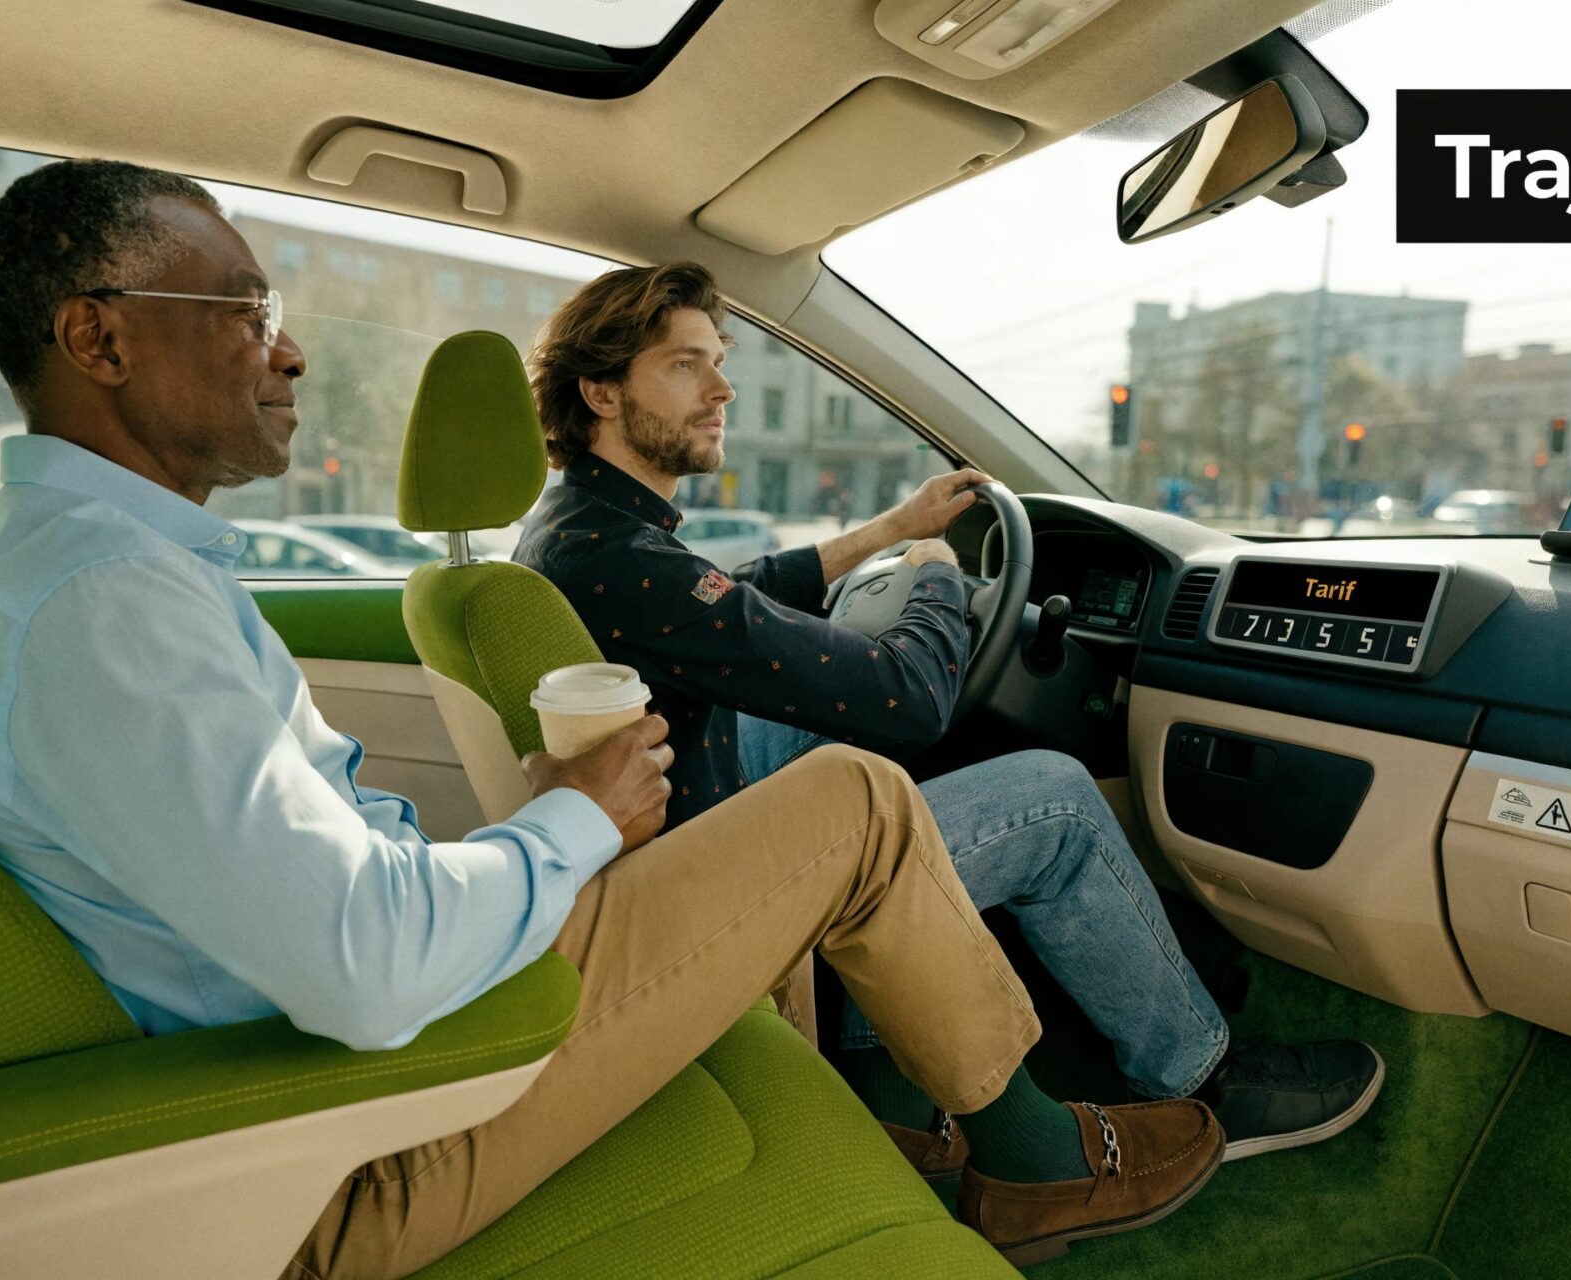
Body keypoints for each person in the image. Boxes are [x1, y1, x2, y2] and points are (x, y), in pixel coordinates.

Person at [0, 159, 1225, 1276]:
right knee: (862, 801)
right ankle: (1041, 1165)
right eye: (245, 307)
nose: (287, 346)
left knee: (826, 788)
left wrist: (529, 830)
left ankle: (994, 1125)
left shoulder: (63, 567)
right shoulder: (103, 602)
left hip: (333, 1064)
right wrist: (574, 826)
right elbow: (361, 968)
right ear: (99, 337)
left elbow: (306, 890)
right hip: (332, 1145)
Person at [515, 263, 1383, 1177]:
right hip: (710, 909)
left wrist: (891, 531)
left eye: (719, 360)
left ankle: (889, 1040)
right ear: (601, 389)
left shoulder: (580, 529)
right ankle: (1204, 1079)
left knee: (833, 732)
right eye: (688, 365)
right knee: (1054, 801)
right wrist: (933, 583)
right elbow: (911, 701)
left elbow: (741, 599)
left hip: (673, 839)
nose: (724, 386)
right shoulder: (623, 563)